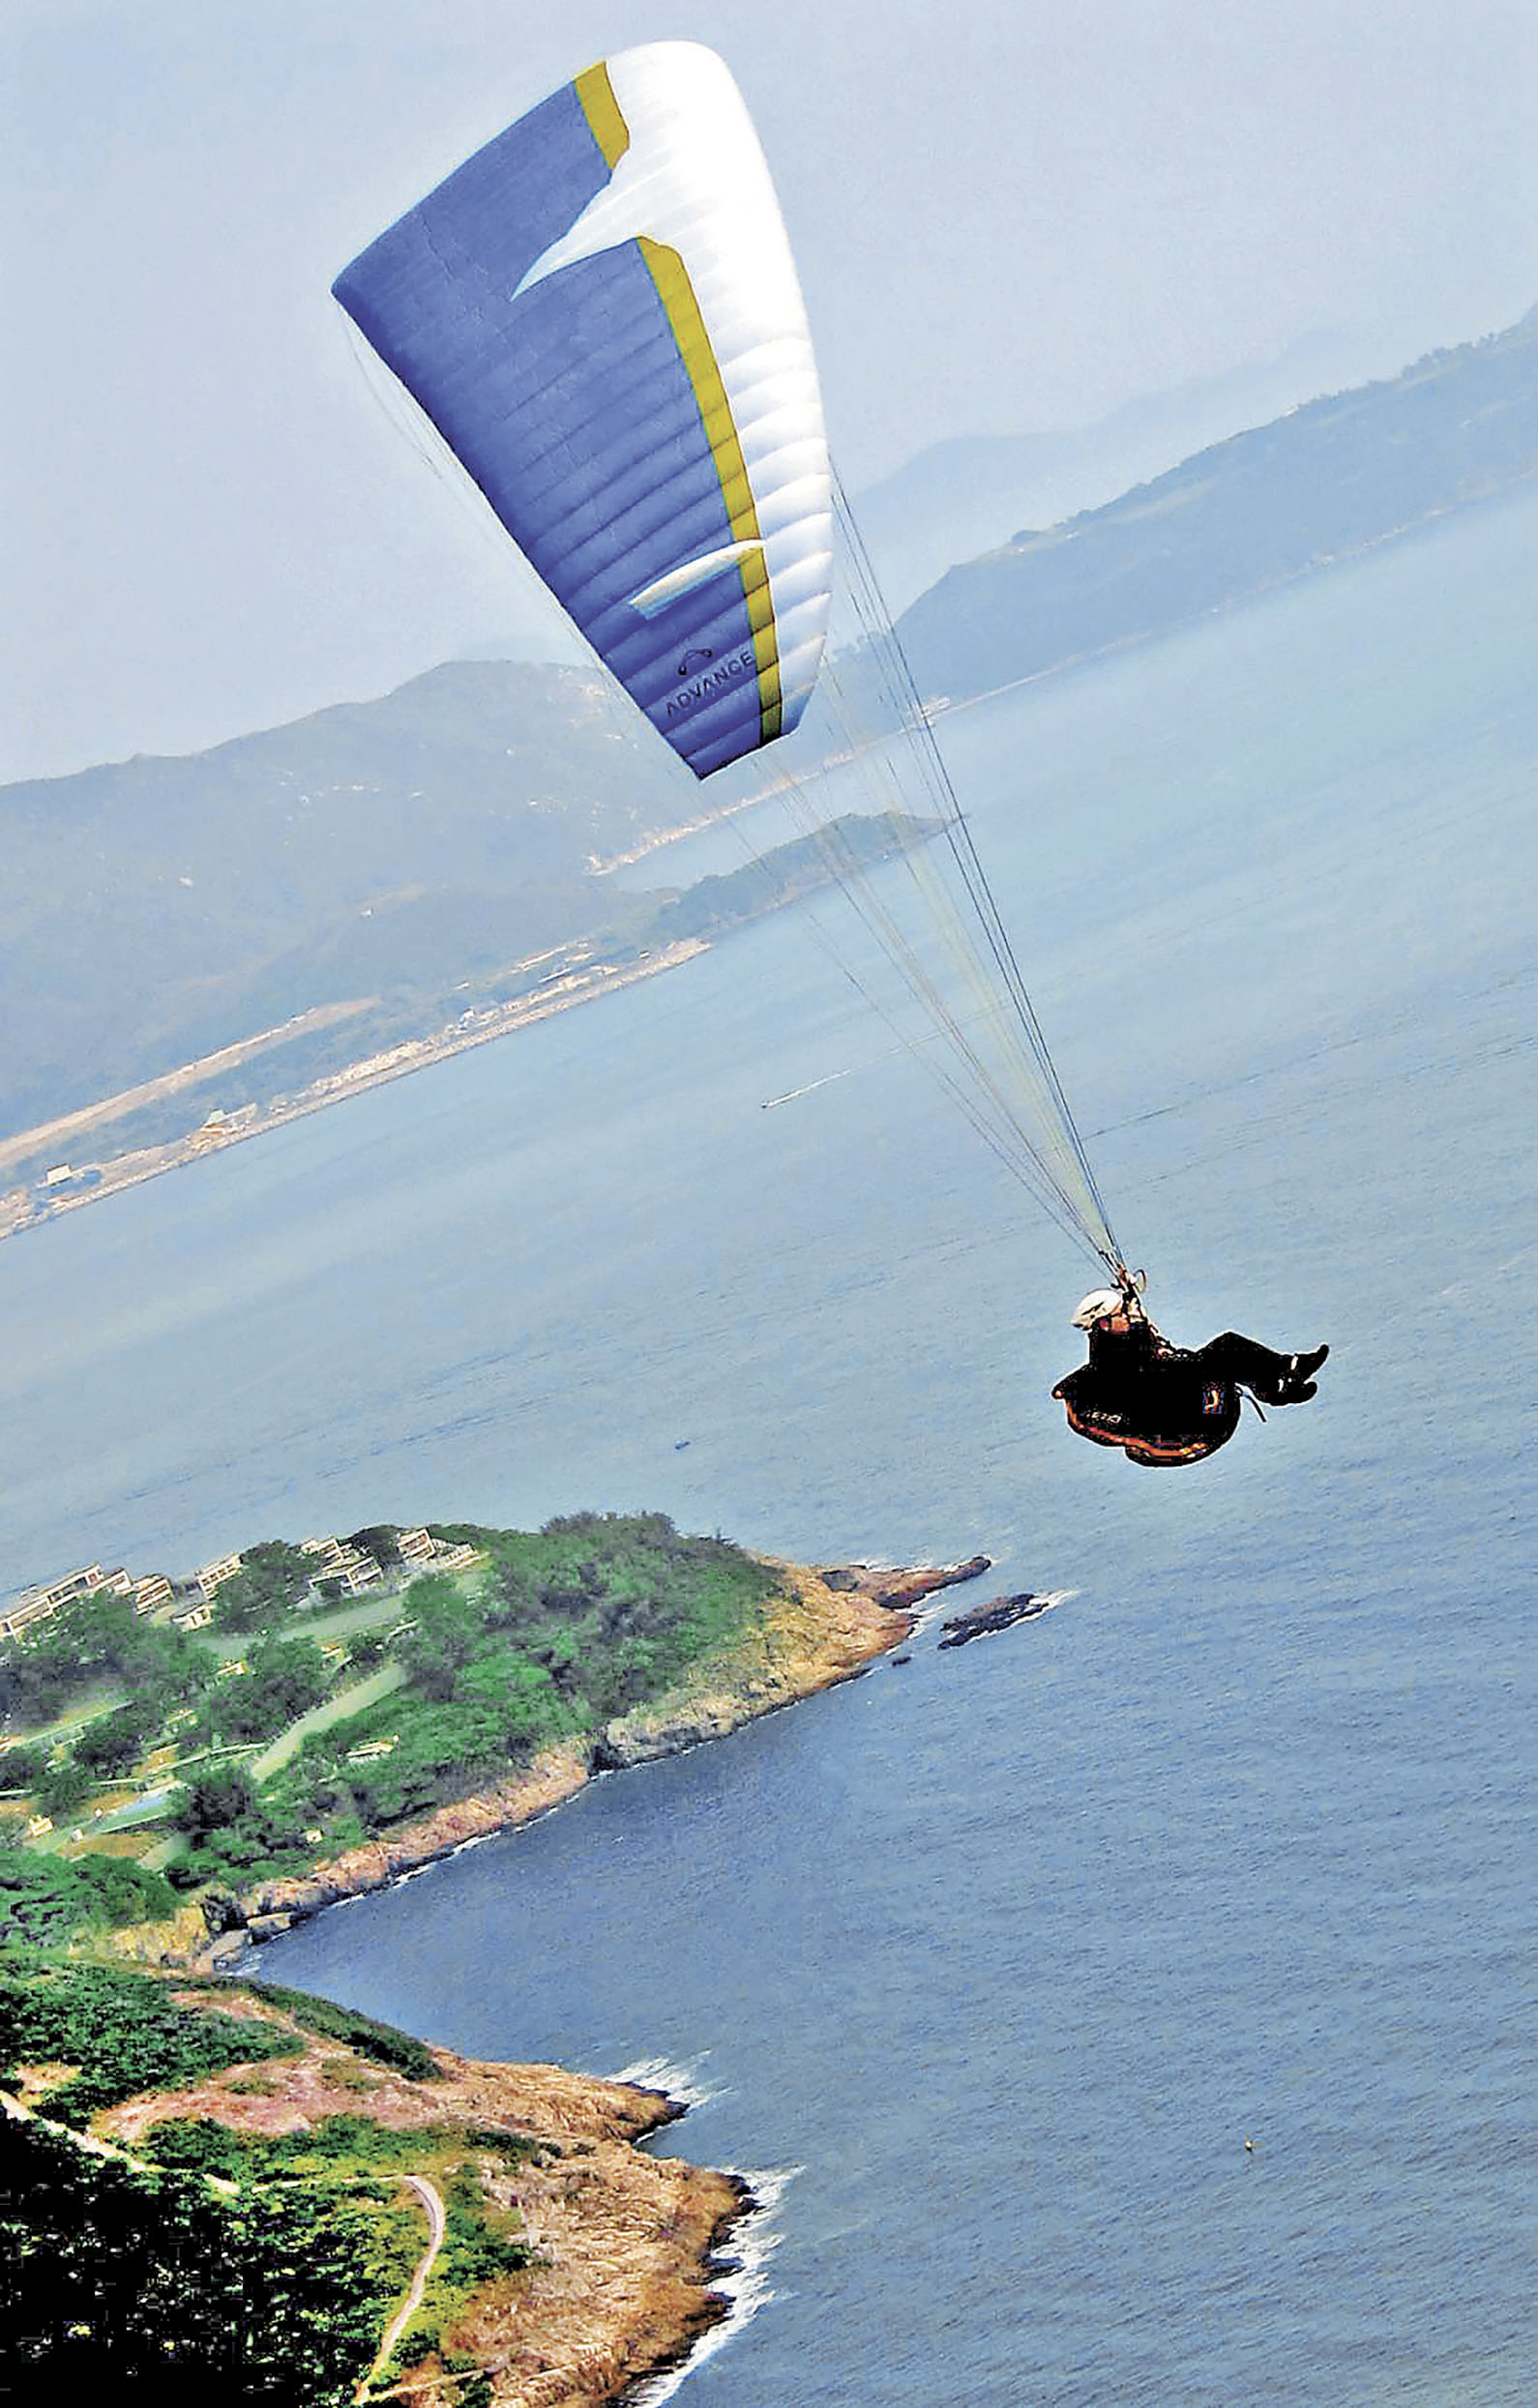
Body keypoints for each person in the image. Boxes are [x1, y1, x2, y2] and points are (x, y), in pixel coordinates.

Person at [1052, 1281, 1328, 1467]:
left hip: (1182, 1397)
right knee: (1220, 1353)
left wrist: (1129, 1295)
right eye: (1123, 1313)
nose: (1130, 1314)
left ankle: (1287, 1373)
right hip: (1178, 1422)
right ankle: (1277, 1389)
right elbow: (1139, 1369)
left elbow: (1144, 1333)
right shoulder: (1109, 1360)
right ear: (1104, 1324)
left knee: (1227, 1344)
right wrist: (1139, 1324)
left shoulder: (1124, 1336)